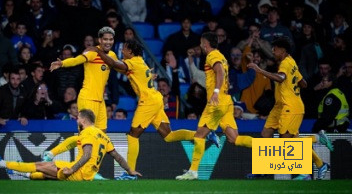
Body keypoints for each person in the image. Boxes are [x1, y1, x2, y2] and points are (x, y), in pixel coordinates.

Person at [89, 39, 211, 180]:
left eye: (124, 49)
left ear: (130, 51)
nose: (122, 51)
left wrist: (98, 51)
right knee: (169, 136)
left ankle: (130, 173)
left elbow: (113, 64)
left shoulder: (133, 62)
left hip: (147, 101)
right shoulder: (140, 60)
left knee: (133, 135)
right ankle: (203, 134)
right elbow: (117, 66)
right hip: (155, 99)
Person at [247, 37, 332, 180]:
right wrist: (291, 86)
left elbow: (280, 78)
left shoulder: (285, 64)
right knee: (265, 135)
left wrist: (259, 70)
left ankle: (316, 141)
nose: (273, 51)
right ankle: (262, 169)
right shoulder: (292, 61)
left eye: (275, 49)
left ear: (283, 50)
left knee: (286, 142)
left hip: (290, 107)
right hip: (279, 106)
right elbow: (303, 83)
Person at [176, 32, 254, 180]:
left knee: (199, 134)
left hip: (217, 102)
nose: (200, 45)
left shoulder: (212, 56)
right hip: (227, 101)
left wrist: (216, 91)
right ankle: (264, 145)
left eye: (201, 42)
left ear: (206, 43)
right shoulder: (222, 56)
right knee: (234, 139)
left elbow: (219, 72)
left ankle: (193, 171)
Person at [0, 109, 142, 181]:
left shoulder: (87, 133)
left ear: (83, 120)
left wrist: (72, 169)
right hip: (87, 174)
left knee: (38, 165)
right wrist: (130, 169)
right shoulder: (103, 136)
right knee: (45, 174)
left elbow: (87, 155)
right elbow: (116, 156)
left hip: (79, 173)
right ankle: (17, 171)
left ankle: (0, 163)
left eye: (78, 119)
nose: (77, 121)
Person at [44, 27, 118, 165]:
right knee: (85, 136)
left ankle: (92, 168)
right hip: (87, 98)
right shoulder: (92, 52)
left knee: (101, 136)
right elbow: (77, 59)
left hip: (100, 100)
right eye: (105, 39)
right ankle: (57, 155)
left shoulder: (112, 56)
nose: (108, 42)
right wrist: (62, 63)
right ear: (100, 40)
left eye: (111, 39)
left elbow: (123, 67)